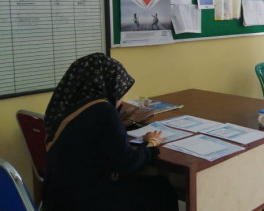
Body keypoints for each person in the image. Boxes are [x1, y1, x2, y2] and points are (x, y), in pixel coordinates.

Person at [42, 53, 178, 211]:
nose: (121, 95)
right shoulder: (103, 110)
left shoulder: (66, 105)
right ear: (108, 83)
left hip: (56, 197)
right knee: (161, 188)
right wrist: (151, 143)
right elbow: (128, 163)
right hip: (84, 201)